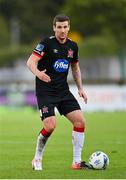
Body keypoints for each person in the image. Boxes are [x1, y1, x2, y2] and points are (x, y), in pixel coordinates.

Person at [27, 14, 91, 170]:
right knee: (50, 126)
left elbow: (75, 67)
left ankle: (76, 162)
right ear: (54, 28)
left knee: (80, 122)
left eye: (65, 27)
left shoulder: (73, 46)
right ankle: (37, 159)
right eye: (59, 27)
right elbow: (30, 62)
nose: (62, 30)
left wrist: (80, 88)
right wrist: (39, 74)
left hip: (63, 91)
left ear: (69, 27)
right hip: (45, 91)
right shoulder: (46, 43)